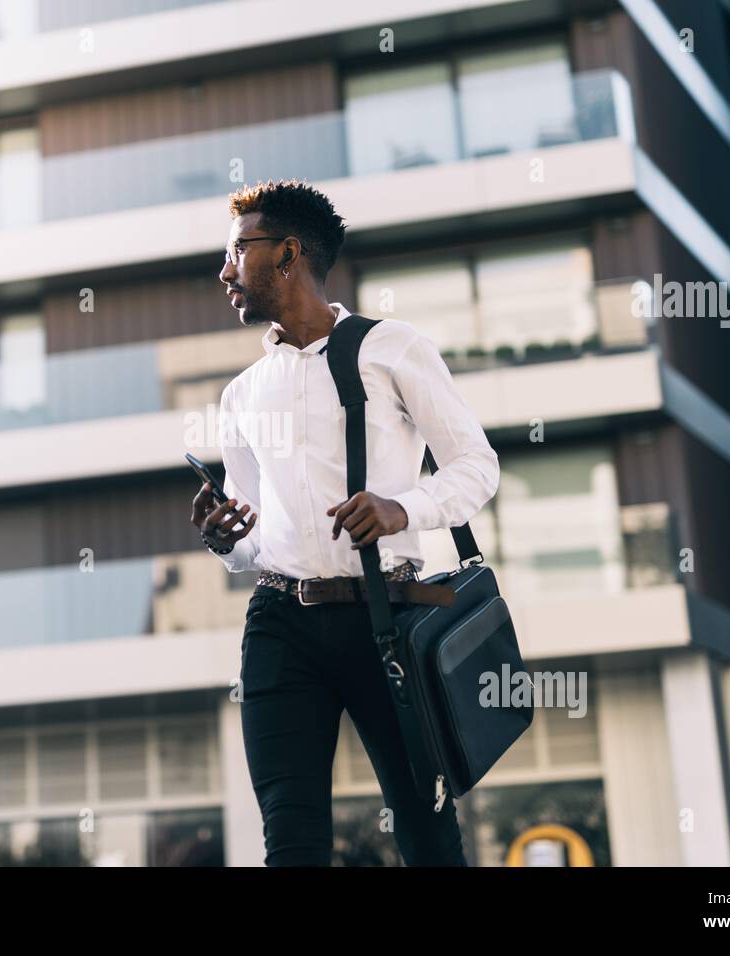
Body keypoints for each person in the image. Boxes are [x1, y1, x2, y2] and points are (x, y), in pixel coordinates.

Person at [191, 178, 500, 866]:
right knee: (290, 839)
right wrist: (227, 540)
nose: (225, 271)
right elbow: (255, 538)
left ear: (287, 254)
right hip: (279, 625)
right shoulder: (240, 395)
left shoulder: (393, 349)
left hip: (387, 617)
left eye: (238, 250)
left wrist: (402, 509)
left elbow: (477, 467)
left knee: (425, 827)